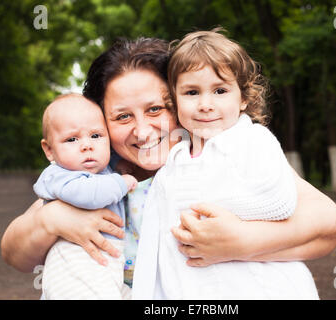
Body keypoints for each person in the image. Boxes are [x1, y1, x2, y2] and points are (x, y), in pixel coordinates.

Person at [1, 37, 336, 299]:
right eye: (122, 116)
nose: (142, 131)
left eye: (155, 109)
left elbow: (328, 224)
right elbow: (14, 252)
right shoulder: (95, 176)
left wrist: (242, 242)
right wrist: (52, 219)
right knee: (66, 245)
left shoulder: (217, 156)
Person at [132, 30, 318, 299]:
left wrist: (224, 227)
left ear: (242, 97)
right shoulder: (174, 163)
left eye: (220, 90)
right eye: (192, 92)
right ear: (174, 99)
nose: (206, 104)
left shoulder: (253, 140)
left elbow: (281, 203)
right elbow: (158, 248)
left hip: (268, 289)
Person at [33, 93, 137, 299]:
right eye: (72, 139)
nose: (87, 145)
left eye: (96, 136)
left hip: (105, 264)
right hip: (76, 261)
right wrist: (121, 182)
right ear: (49, 150)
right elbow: (90, 195)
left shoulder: (100, 168)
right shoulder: (58, 176)